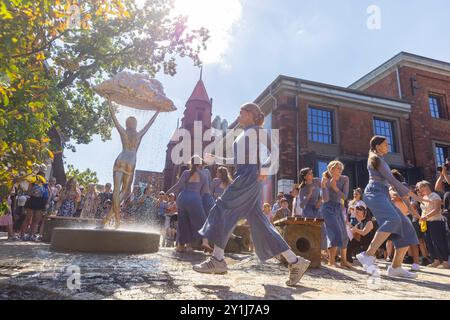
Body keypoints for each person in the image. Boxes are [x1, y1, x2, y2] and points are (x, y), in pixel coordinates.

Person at [193, 102, 310, 286]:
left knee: (221, 208)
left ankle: (217, 259)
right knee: (260, 224)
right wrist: (216, 159)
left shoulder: (257, 131)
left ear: (251, 114)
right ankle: (296, 262)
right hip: (245, 176)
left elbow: (275, 150)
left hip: (248, 178)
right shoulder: (244, 134)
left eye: (241, 111)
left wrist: (264, 168)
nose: (238, 114)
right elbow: (236, 160)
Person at [356, 136, 427, 278]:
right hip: (374, 193)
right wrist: (414, 196)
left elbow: (394, 185)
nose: (387, 146)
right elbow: (392, 180)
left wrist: (413, 210)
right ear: (376, 146)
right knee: (393, 220)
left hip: (383, 194)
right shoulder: (375, 159)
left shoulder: (379, 159)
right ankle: (367, 254)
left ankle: (396, 267)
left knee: (407, 227)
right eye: (384, 144)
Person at [101, 102, 159, 229]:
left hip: (120, 159)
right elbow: (150, 124)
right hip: (130, 162)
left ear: (127, 124)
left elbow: (114, 118)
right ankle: (115, 219)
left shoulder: (123, 132)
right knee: (124, 191)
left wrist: (109, 102)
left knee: (116, 191)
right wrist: (157, 111)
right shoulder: (138, 135)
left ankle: (112, 218)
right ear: (136, 125)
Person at [167, 155, 210, 253]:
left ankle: (180, 247)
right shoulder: (204, 175)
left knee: (183, 223)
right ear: (200, 163)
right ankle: (205, 241)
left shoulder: (186, 173)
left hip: (182, 199)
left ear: (191, 162)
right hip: (195, 199)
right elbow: (204, 192)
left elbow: (178, 185)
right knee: (203, 221)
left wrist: (167, 192)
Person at [320, 161, 352, 269]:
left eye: (339, 168)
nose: (338, 170)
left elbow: (345, 197)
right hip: (327, 208)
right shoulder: (325, 180)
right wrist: (324, 187)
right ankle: (331, 261)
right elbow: (325, 199)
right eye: (335, 168)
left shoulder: (345, 179)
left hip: (339, 208)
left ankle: (343, 261)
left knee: (344, 235)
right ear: (330, 169)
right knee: (335, 232)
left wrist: (335, 188)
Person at [416, 180, 449, 269]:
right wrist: (423, 219)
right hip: (427, 223)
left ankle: (445, 262)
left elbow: (437, 209)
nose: (419, 189)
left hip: (436, 221)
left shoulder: (435, 196)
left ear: (425, 186)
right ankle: (436, 260)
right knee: (429, 242)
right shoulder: (424, 197)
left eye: (420, 187)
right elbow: (423, 209)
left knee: (438, 241)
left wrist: (425, 217)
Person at [21, 171, 49, 241]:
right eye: (40, 176)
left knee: (36, 220)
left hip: (40, 201)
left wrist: (46, 203)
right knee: (28, 218)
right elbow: (28, 192)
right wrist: (33, 191)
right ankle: (22, 234)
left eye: (43, 176)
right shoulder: (33, 182)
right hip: (32, 200)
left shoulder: (44, 184)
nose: (41, 177)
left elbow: (47, 194)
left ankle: (31, 235)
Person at [435, 157, 450, 225]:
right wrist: (441, 175)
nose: (446, 166)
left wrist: (445, 174)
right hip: (447, 208)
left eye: (448, 165)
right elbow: (437, 188)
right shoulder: (445, 176)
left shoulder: (446, 176)